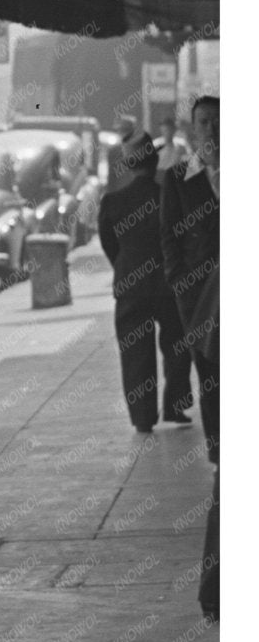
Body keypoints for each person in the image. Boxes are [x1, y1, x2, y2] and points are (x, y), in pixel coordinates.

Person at [97, 132, 193, 433]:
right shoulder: (169, 196)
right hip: (169, 283)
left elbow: (109, 244)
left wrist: (126, 267)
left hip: (131, 285)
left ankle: (142, 417)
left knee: (135, 353)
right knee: (178, 345)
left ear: (127, 165)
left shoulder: (112, 201)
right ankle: (176, 406)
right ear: (154, 161)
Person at [161, 95, 219, 468]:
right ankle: (218, 451)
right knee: (211, 376)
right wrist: (183, 287)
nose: (212, 129)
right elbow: (169, 240)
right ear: (193, 129)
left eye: (219, 120)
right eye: (204, 122)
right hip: (200, 299)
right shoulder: (179, 179)